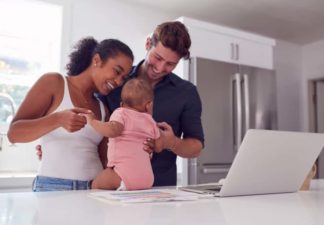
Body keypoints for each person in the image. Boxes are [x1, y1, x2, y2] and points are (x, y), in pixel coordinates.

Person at [7, 37, 134, 191]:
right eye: (117, 71)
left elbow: (104, 158)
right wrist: (58, 119)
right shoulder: (54, 83)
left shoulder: (103, 109)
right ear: (97, 60)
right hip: (52, 188)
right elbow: (14, 134)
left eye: (123, 78)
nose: (119, 81)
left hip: (93, 190)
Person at [103, 21, 204, 186]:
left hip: (161, 191)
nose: (160, 68)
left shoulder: (186, 92)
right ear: (148, 43)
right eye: (157, 57)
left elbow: (196, 146)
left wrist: (171, 142)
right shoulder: (117, 80)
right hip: (114, 188)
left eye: (170, 64)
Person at [84, 79, 162, 190]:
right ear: (149, 105)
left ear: (121, 104)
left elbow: (113, 130)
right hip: (147, 180)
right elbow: (158, 147)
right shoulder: (151, 121)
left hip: (122, 176)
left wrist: (92, 122)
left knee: (97, 183)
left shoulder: (121, 113)